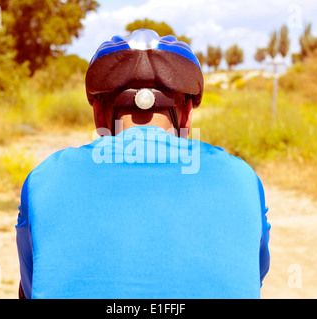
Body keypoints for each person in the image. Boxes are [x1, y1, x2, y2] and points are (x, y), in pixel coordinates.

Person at [16, 29, 270, 299]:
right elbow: (253, 275)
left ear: (98, 114)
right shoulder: (241, 178)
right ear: (187, 115)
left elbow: (31, 284)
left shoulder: (46, 178)